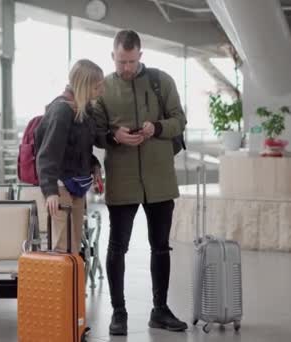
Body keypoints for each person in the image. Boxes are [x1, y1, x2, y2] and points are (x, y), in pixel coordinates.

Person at [91, 30, 188, 335]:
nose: (127, 68)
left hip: (159, 180)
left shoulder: (162, 81)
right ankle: (118, 313)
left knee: (160, 247)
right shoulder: (102, 88)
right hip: (122, 180)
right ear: (113, 56)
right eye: (122, 61)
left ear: (140, 56)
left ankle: (160, 310)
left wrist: (155, 127)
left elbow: (179, 121)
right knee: (117, 247)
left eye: (132, 61)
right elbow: (95, 131)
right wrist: (112, 136)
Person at [35, 59, 104, 253]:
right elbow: (47, 154)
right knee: (64, 248)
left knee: (73, 249)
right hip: (59, 188)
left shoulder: (82, 110)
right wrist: (50, 192)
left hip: (77, 187)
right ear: (85, 86)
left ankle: (74, 284)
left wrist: (94, 166)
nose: (101, 91)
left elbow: (80, 149)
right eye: (97, 87)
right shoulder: (61, 111)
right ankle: (64, 284)